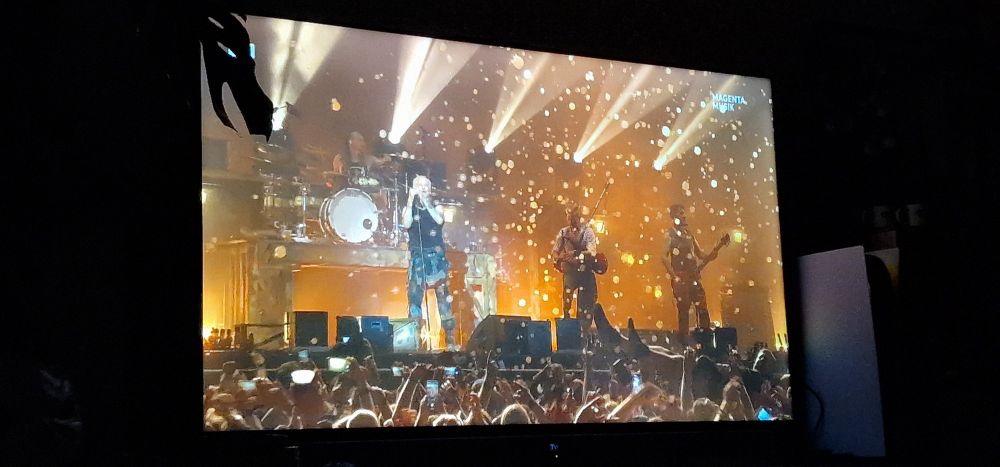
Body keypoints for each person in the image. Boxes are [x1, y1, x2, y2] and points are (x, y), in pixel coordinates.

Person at [661, 203, 730, 345]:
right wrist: (675, 276)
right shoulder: (670, 235)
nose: (684, 215)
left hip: (693, 278)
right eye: (680, 213)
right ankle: (684, 344)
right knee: (684, 311)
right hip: (681, 277)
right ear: (674, 216)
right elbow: (663, 257)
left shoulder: (690, 235)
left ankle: (705, 341)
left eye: (683, 212)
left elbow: (702, 255)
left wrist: (715, 250)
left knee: (702, 308)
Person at [401, 175, 455, 350]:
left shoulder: (436, 206)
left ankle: (450, 338)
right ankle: (417, 339)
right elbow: (406, 223)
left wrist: (427, 202)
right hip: (419, 258)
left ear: (430, 189)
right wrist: (410, 200)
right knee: (415, 297)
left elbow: (439, 220)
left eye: (426, 185)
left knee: (443, 297)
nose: (423, 188)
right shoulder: (410, 208)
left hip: (436, 258)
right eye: (419, 185)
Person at [551, 202, 599, 337]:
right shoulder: (563, 233)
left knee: (586, 304)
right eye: (569, 217)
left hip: (584, 271)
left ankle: (583, 330)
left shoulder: (587, 232)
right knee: (567, 300)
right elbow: (555, 251)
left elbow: (592, 251)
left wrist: (577, 253)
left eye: (574, 217)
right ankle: (567, 324)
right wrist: (560, 258)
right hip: (570, 271)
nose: (571, 220)